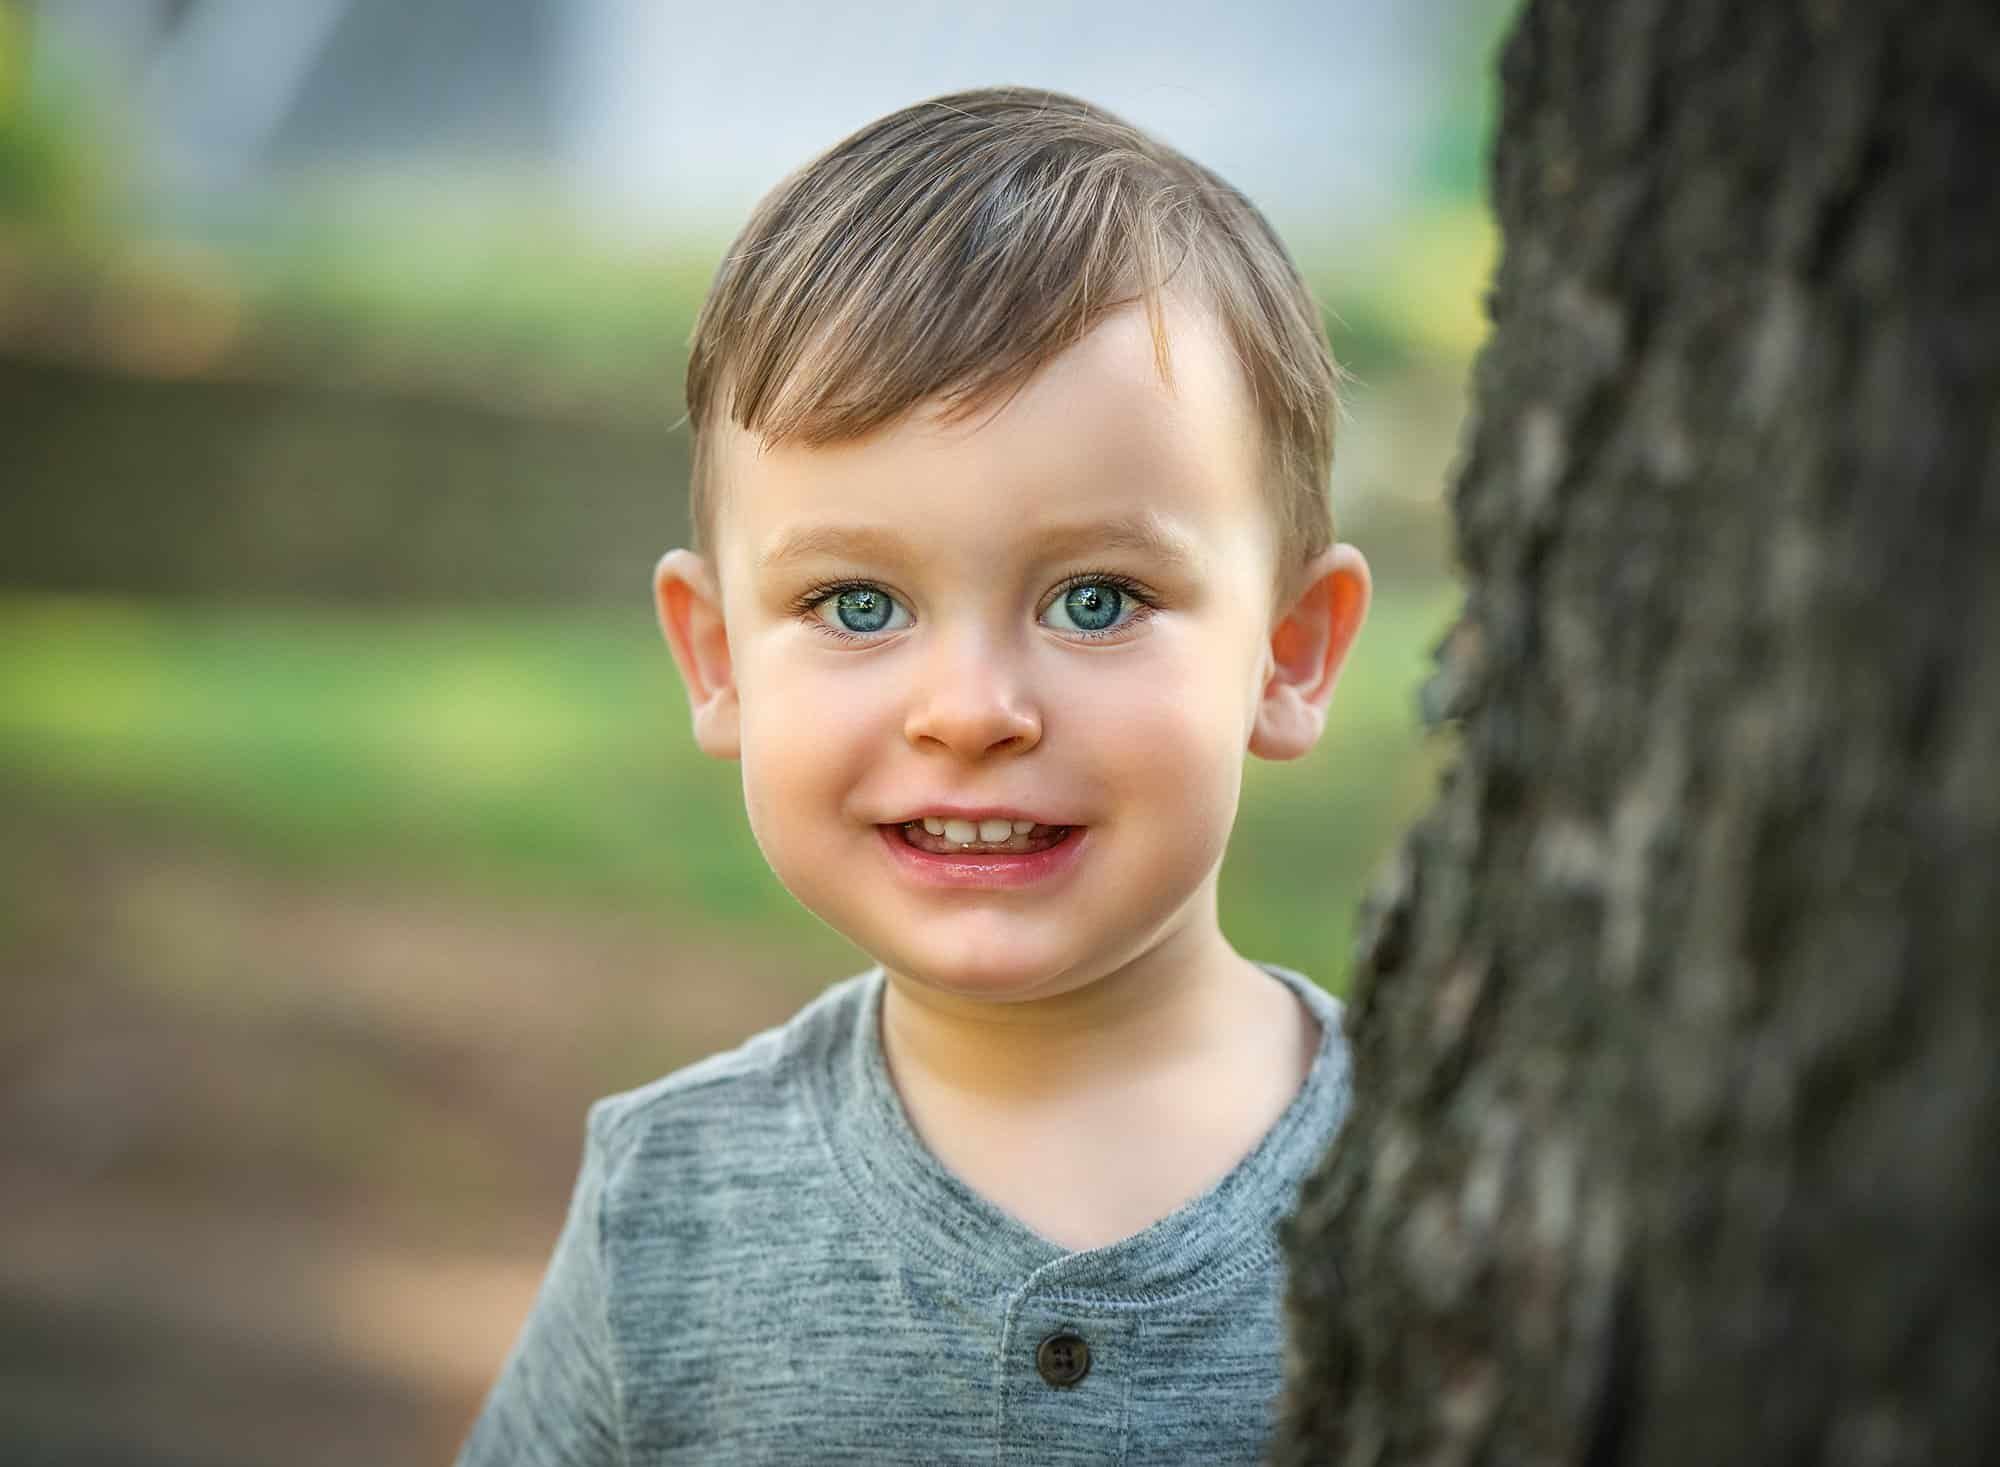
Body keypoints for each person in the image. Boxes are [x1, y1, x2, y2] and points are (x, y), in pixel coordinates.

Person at [455, 85, 1371, 1465]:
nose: (972, 713)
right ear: (717, 661)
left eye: (1101, 599)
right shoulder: (670, 1203)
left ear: (1290, 655)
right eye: (861, 605)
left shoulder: (1441, 1189)